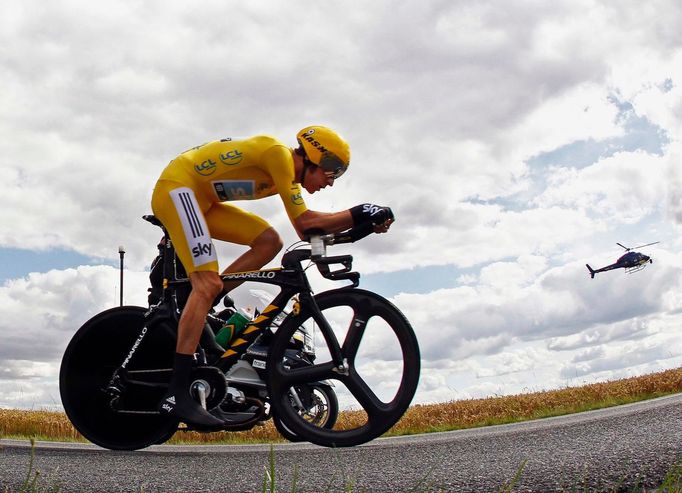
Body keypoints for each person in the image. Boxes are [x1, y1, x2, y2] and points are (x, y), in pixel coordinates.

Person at [151, 126, 395, 427]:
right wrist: (361, 212)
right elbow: (306, 225)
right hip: (178, 189)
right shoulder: (278, 155)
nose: (330, 184)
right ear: (318, 159)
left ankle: (202, 300)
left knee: (269, 242)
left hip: (202, 201)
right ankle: (177, 394)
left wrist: (363, 227)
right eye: (332, 175)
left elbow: (314, 231)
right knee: (207, 282)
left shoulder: (285, 175)